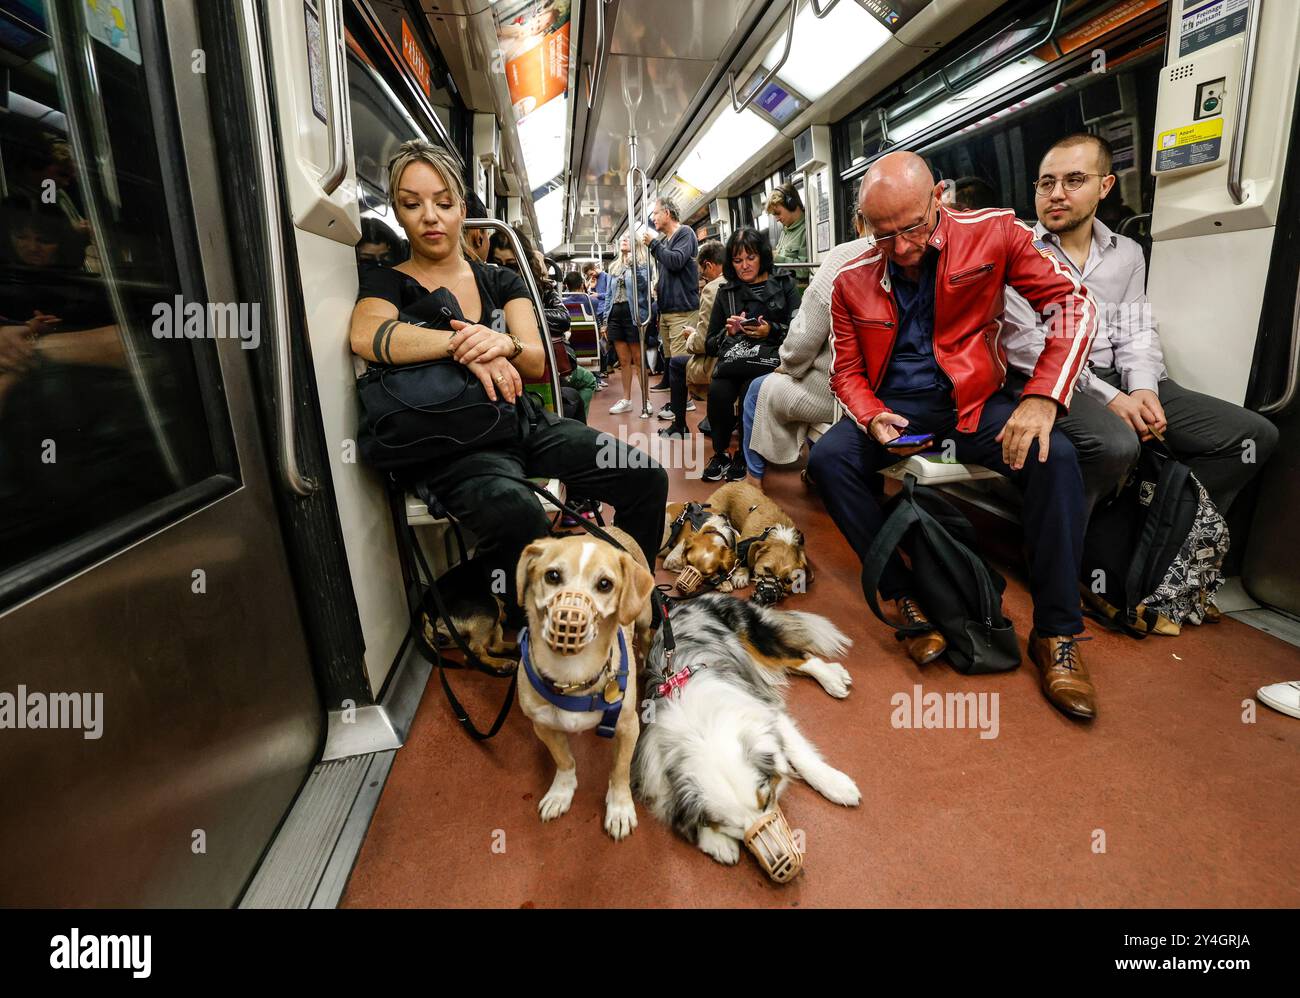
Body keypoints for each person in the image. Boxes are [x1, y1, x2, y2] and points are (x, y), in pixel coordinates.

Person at [808, 150, 1102, 720]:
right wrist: (869, 416)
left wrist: (1042, 397)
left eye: (912, 228)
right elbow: (845, 371)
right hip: (898, 415)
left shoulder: (995, 233)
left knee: (1055, 455)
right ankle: (905, 596)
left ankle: (1057, 634)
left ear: (938, 199)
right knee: (828, 460)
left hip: (971, 405)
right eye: (881, 234)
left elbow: (1074, 305)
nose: (900, 248)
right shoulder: (850, 280)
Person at [347, 139, 666, 609]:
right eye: (413, 204)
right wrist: (464, 343)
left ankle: (632, 604)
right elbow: (367, 334)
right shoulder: (387, 281)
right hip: (455, 443)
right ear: (398, 210)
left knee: (646, 477)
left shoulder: (500, 280)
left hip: (519, 421)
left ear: (462, 207)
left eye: (443, 202)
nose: (430, 216)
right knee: (520, 518)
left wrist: (505, 344)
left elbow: (534, 358)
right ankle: (487, 611)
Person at [1001, 132, 1278, 532]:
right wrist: (1111, 397)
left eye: (1074, 180)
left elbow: (1134, 329)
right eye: (1047, 183)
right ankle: (1072, 547)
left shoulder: (1126, 252)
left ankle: (1157, 549)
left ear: (1105, 186)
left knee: (1251, 436)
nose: (1056, 194)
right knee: (1116, 444)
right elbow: (1029, 347)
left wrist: (1143, 387)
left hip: (1117, 375)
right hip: (1055, 379)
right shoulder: (1017, 248)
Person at [741, 206, 874, 486]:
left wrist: (787, 364)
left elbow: (804, 336)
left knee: (758, 390)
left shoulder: (844, 256)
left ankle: (753, 480)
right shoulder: (916, 253)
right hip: (887, 389)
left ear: (859, 220)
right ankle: (815, 471)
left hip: (841, 394)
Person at [700, 227, 800, 482]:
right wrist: (730, 333)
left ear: (762, 256)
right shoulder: (726, 292)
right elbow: (710, 344)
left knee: (750, 391)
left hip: (769, 359)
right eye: (737, 260)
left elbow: (801, 329)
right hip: (735, 358)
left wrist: (770, 330)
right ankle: (721, 452)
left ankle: (744, 456)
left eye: (750, 258)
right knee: (718, 391)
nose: (744, 266)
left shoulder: (785, 283)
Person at [658, 240, 725, 437]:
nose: (703, 280)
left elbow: (702, 342)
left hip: (718, 361)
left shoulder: (712, 289)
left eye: (704, 275)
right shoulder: (741, 281)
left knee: (677, 363)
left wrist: (690, 336)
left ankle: (679, 425)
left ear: (709, 265)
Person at [642, 196, 698, 391]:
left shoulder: (685, 233)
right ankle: (669, 384)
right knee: (667, 351)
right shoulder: (666, 240)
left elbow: (676, 261)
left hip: (682, 308)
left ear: (667, 213)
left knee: (679, 357)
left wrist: (654, 246)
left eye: (656, 213)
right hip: (667, 307)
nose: (653, 218)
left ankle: (684, 401)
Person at [600, 234, 652, 414]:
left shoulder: (643, 263)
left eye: (628, 238)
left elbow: (644, 286)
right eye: (622, 238)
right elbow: (608, 295)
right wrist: (605, 321)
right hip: (616, 314)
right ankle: (626, 399)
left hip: (634, 314)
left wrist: (633, 266)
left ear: (635, 243)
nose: (623, 240)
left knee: (639, 359)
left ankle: (646, 400)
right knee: (623, 361)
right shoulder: (613, 266)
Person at [487, 228, 570, 337]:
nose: (504, 272)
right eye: (498, 264)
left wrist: (519, 313)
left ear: (525, 264)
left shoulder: (538, 286)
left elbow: (563, 318)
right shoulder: (487, 286)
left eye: (511, 265)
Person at [766, 183, 808, 264]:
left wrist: (776, 258)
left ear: (791, 205)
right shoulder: (785, 231)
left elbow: (805, 270)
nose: (777, 219)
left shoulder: (806, 230)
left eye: (778, 213)